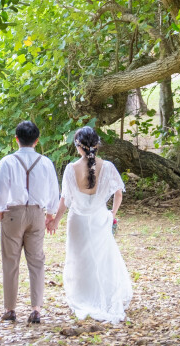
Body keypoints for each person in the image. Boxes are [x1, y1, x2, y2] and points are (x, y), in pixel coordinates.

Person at [49, 126, 133, 323]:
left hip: (77, 220)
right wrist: (111, 214)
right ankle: (103, 294)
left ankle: (83, 295)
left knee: (80, 260)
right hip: (99, 219)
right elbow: (118, 193)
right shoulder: (109, 167)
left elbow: (65, 200)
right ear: (97, 145)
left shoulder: (71, 169)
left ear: (78, 147)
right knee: (103, 258)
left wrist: (55, 221)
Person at [0, 121, 60, 324]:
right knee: (37, 261)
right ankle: (36, 309)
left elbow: (0, 188)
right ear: (37, 140)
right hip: (37, 213)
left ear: (16, 139)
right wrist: (51, 213)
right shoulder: (45, 162)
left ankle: (10, 308)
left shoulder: (7, 161)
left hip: (13, 213)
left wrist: (1, 208)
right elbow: (53, 190)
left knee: (10, 261)